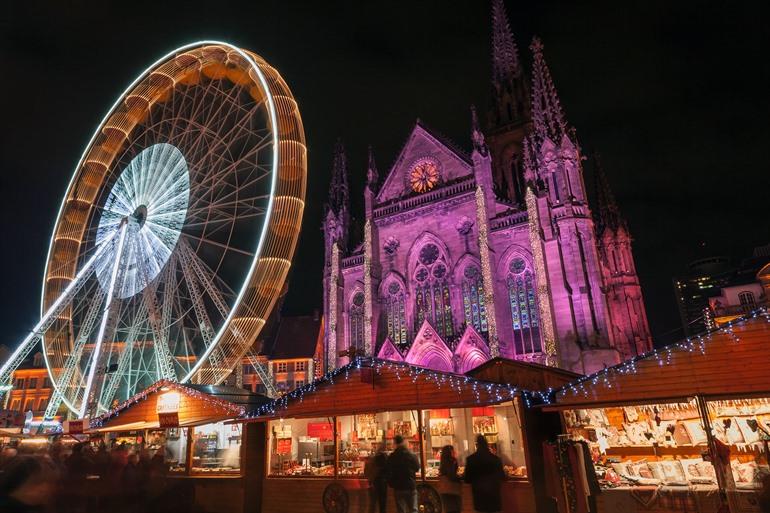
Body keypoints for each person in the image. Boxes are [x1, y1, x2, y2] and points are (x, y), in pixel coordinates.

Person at [464, 435, 504, 513]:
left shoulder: (471, 459)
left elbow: (467, 479)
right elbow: (502, 476)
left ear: (477, 445)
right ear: (487, 444)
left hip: (479, 497)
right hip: (493, 497)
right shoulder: (496, 459)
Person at [386, 434, 420, 513]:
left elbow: (388, 470)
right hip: (410, 486)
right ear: (403, 442)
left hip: (399, 487)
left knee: (401, 511)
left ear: (395, 443)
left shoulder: (392, 456)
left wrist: (391, 483)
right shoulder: (411, 455)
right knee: (413, 510)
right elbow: (417, 468)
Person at [438, 445, 462, 513]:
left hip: (445, 490)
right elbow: (452, 476)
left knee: (449, 510)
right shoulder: (452, 461)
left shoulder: (443, 461)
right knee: (455, 510)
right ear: (450, 452)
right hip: (451, 490)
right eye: (453, 450)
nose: (455, 451)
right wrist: (461, 477)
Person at [364, 444, 388, 513]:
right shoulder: (385, 458)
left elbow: (366, 472)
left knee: (372, 504)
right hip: (382, 483)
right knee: (382, 504)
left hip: (373, 483)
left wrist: (370, 479)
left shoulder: (372, 459)